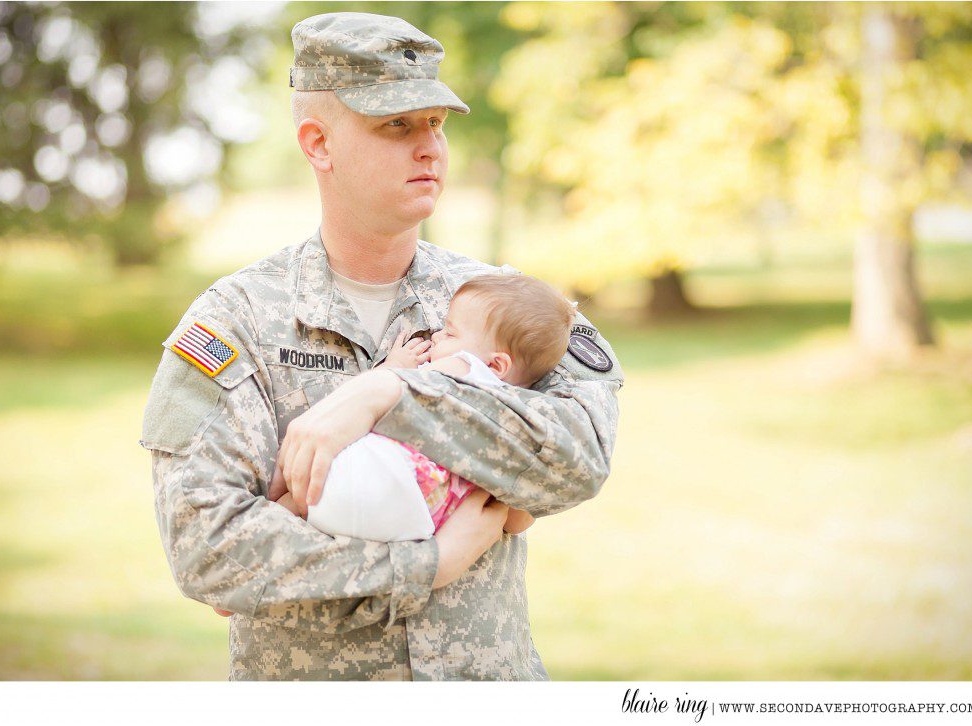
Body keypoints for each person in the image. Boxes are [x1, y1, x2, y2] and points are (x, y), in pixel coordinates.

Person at [141, 11, 623, 680]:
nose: (430, 148)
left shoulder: (500, 301)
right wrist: (429, 564)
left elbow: (580, 456)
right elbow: (209, 550)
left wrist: (387, 392)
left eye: (436, 124)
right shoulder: (235, 324)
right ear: (317, 143)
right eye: (397, 125)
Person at [268, 273, 574, 542]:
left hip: (375, 480)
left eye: (451, 333)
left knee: (297, 478)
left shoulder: (466, 368)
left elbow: (394, 391)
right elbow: (517, 522)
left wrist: (395, 366)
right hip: (417, 519)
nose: (438, 336)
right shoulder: (515, 423)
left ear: (495, 364)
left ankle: (263, 520)